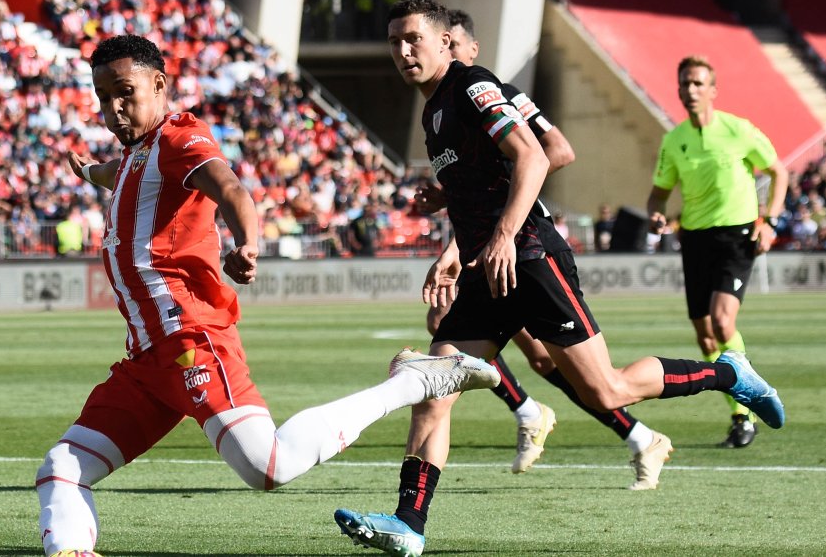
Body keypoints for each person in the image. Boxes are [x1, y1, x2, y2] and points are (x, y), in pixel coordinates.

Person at [334, 0, 785, 557]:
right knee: (433, 388)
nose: (403, 52)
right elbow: (485, 180)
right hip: (486, 271)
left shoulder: (473, 87)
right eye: (395, 42)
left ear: (444, 42)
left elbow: (536, 155)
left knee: (607, 389)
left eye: (413, 40)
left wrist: (500, 235)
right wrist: (452, 220)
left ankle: (727, 373)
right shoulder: (433, 111)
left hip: (528, 258)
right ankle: (409, 523)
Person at [35, 34, 504, 557]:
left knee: (269, 467)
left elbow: (231, 188)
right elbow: (111, 174)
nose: (113, 107)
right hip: (146, 360)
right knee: (62, 468)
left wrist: (248, 242)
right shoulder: (130, 158)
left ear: (159, 85)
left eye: (125, 91)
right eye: (102, 96)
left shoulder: (177, 139)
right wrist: (88, 171)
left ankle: (407, 382)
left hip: (190, 337)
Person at [413, 8, 666, 489]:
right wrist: (451, 213)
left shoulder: (494, 91)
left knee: (563, 366)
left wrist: (506, 221)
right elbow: (477, 191)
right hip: (491, 244)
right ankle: (579, 423)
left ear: (462, 46)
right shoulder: (439, 108)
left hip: (524, 241)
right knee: (514, 354)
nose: (454, 56)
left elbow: (554, 151)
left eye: (459, 46)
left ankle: (558, 417)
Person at [646, 55, 789, 449]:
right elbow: (658, 192)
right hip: (695, 240)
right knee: (707, 337)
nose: (690, 90)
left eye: (697, 83)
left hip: (737, 236)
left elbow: (779, 171)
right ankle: (738, 412)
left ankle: (744, 415)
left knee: (724, 324)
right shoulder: (674, 141)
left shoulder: (738, 129)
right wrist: (657, 215)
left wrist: (771, 221)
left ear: (712, 90)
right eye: (684, 84)